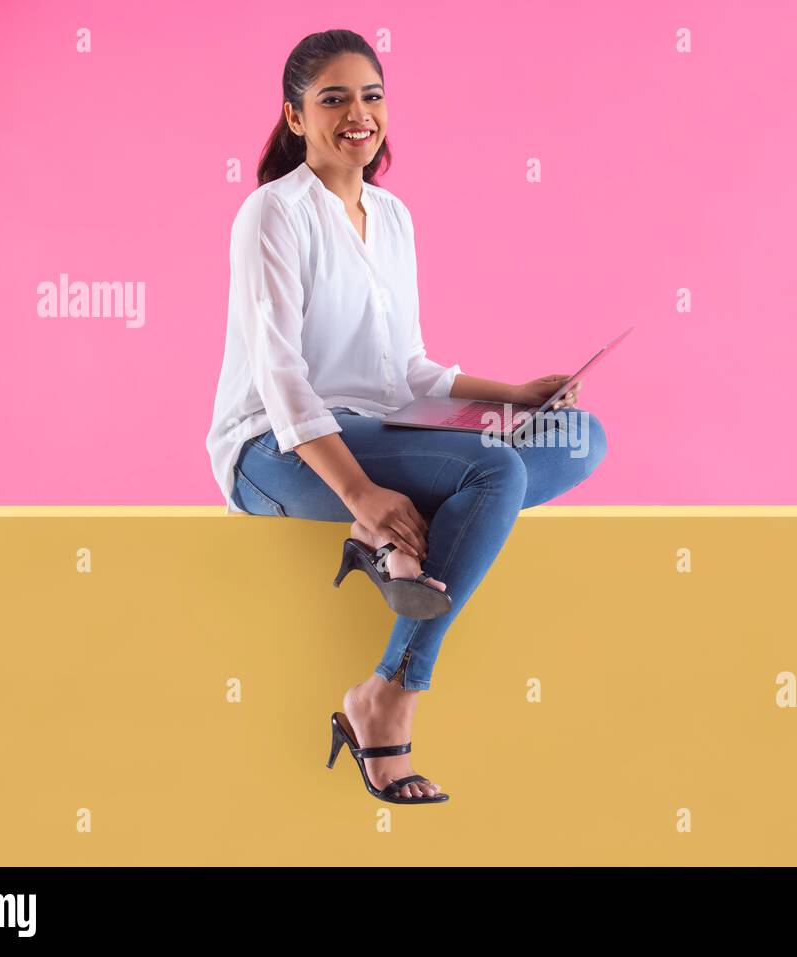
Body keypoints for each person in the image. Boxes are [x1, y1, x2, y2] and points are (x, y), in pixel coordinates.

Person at [205, 30, 608, 804]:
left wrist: (515, 396)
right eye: (333, 99)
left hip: (380, 432)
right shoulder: (271, 214)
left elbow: (410, 371)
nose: (359, 114)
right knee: (494, 472)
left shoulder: (392, 218)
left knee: (576, 437)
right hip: (275, 447)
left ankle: (394, 546)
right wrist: (364, 498)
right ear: (295, 118)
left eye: (371, 95)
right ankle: (388, 693)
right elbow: (282, 378)